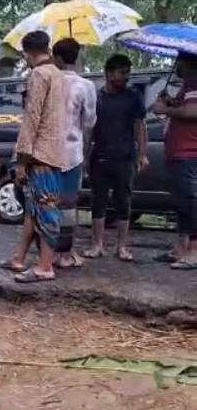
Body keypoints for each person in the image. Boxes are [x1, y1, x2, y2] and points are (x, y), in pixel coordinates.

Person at [0, 31, 67, 283]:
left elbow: (31, 119)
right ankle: (20, 257)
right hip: (55, 149)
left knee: (46, 207)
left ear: (27, 53)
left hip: (41, 154)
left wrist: (22, 158)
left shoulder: (39, 75)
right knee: (33, 209)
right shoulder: (58, 74)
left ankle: (45, 265)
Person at [83, 54, 148, 262]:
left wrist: (142, 153)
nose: (126, 77)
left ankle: (122, 247)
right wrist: (84, 155)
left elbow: (140, 126)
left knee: (123, 201)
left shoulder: (134, 96)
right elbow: (90, 128)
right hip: (100, 156)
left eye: (128, 73)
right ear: (108, 73)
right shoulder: (97, 97)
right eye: (122, 73)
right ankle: (97, 244)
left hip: (125, 156)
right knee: (98, 201)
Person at [51, 38, 97, 269]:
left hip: (47, 153)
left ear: (56, 58)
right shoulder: (86, 86)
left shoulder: (47, 82)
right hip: (72, 153)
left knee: (48, 203)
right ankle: (66, 253)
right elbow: (89, 123)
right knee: (69, 205)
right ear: (77, 56)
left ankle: (48, 251)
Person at [153, 52, 197, 269]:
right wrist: (171, 101)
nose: (176, 64)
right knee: (182, 203)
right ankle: (181, 247)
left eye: (179, 60)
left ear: (189, 62)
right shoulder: (187, 85)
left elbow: (192, 110)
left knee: (191, 202)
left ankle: (194, 251)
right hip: (177, 151)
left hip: (189, 152)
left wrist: (166, 109)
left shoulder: (195, 82)